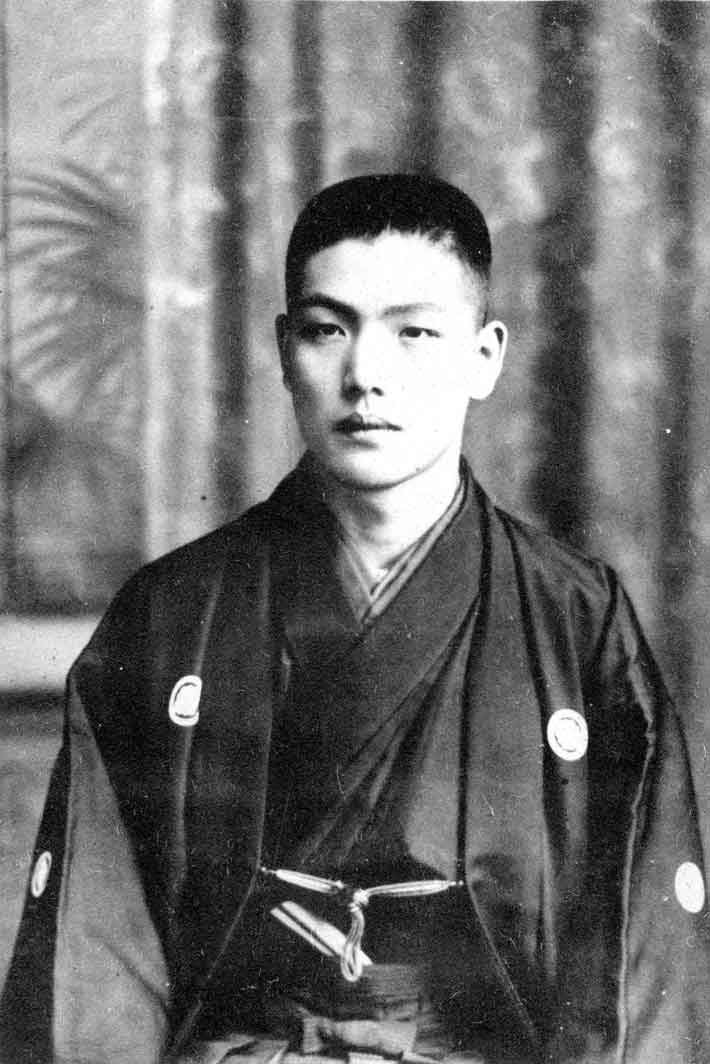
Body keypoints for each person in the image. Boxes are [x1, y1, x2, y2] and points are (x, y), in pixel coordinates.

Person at [1, 174, 709, 1064]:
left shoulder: (578, 620)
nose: (366, 374)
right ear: (283, 349)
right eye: (327, 329)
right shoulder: (171, 613)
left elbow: (640, 976)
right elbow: (93, 960)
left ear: (485, 356)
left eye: (415, 332)